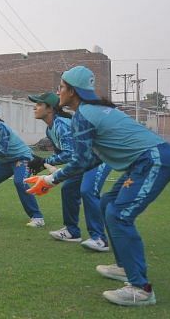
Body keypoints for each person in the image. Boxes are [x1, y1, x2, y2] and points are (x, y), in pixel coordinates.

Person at [25, 66, 170, 306]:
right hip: (146, 161)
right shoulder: (93, 110)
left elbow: (82, 160)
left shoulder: (84, 115)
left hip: (154, 160)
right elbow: (94, 158)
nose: (58, 92)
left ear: (73, 92)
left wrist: (49, 179)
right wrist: (52, 179)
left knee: (119, 216)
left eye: (61, 87)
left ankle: (141, 289)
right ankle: (124, 267)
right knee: (107, 203)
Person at [27, 92, 112, 250]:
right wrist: (45, 165)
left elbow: (70, 153)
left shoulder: (62, 124)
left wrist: (44, 161)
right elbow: (62, 154)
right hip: (84, 160)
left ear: (50, 109)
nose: (35, 107)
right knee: (68, 189)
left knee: (88, 191)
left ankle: (99, 238)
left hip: (99, 156)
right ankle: (72, 231)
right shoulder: (50, 129)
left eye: (38, 104)